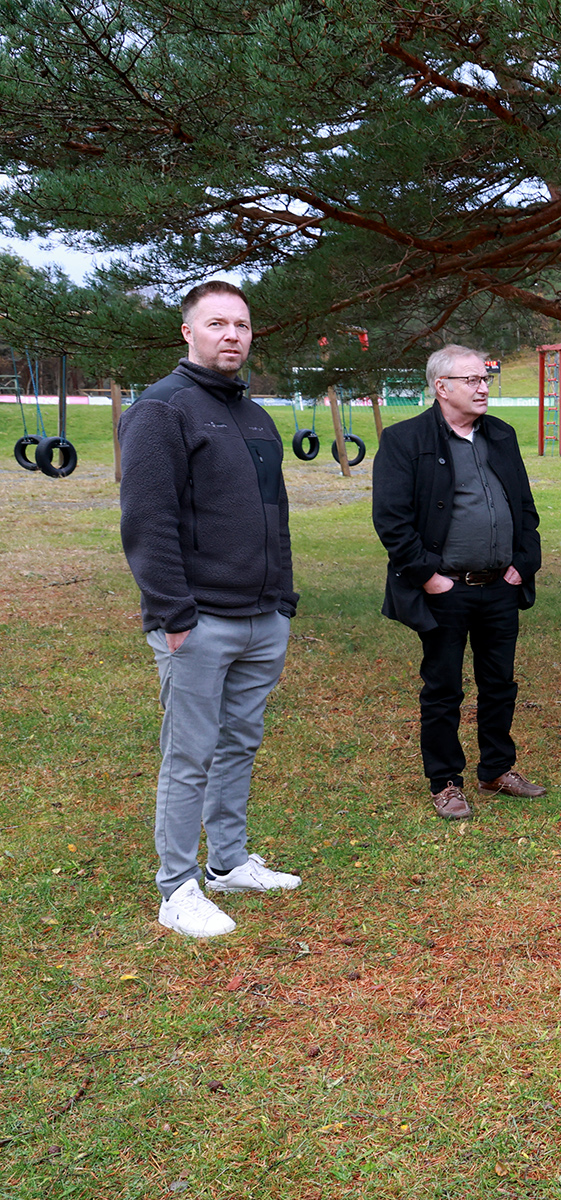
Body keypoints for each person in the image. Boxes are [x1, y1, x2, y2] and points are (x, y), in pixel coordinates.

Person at [118, 280, 302, 938]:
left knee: (239, 746)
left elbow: (272, 515)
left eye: (243, 325)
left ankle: (228, 863)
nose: (233, 335)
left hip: (262, 617)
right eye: (218, 323)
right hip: (198, 624)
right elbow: (147, 522)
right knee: (189, 755)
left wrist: (282, 599)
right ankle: (177, 888)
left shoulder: (252, 415)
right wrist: (173, 616)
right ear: (187, 333)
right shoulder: (162, 410)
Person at [372, 344, 546, 820]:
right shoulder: (406, 440)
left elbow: (525, 510)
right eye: (470, 380)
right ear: (440, 387)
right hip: (445, 590)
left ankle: (496, 769)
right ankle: (445, 781)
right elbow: (391, 520)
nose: (482, 387)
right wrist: (428, 577)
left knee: (499, 683)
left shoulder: (502, 436)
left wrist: (522, 563)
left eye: (484, 378)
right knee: (444, 688)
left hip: (499, 587)